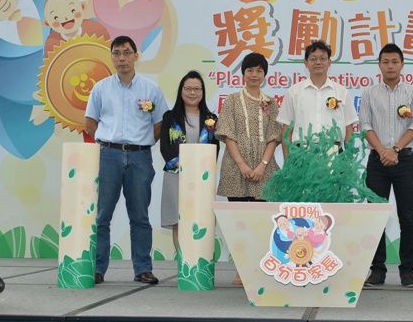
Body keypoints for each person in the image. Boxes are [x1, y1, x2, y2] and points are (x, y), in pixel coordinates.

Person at [84, 35, 167, 285]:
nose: (122, 58)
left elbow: (160, 124)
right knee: (102, 216)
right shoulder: (101, 88)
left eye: (126, 53)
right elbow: (90, 123)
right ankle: (97, 268)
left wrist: (142, 143)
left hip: (140, 157)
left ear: (135, 56)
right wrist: (109, 143)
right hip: (108, 155)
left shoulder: (151, 90)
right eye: (117, 53)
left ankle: (143, 269)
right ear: (112, 56)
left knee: (140, 216)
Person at [216, 52, 282, 284]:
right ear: (243, 73)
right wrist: (242, 165)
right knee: (239, 222)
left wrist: (262, 165)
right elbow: (227, 134)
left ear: (265, 74)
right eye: (250, 70)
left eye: (259, 70)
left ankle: (261, 268)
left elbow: (274, 136)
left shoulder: (271, 103)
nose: (254, 74)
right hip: (236, 168)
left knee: (263, 221)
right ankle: (242, 269)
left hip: (264, 170)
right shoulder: (232, 100)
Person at [360, 43, 413, 288]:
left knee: (407, 217)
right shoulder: (369, 93)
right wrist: (382, 151)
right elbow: (365, 125)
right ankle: (377, 271)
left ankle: (407, 272)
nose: (390, 66)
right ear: (379, 65)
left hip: (404, 159)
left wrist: (395, 150)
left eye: (395, 61)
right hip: (377, 161)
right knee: (375, 217)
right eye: (385, 62)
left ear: (402, 64)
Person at [159, 71, 219, 254]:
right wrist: (185, 167)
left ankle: (199, 260)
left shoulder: (211, 119)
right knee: (179, 219)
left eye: (197, 89)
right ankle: (183, 262)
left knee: (201, 218)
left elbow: (215, 148)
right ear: (181, 91)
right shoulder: (170, 117)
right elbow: (165, 148)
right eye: (188, 88)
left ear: (202, 92)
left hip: (202, 177)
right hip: (176, 176)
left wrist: (198, 169)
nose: (193, 93)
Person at [276, 40, 358, 156]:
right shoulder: (293, 92)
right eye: (313, 59)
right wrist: (287, 162)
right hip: (301, 153)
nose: (318, 62)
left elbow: (349, 129)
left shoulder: (341, 92)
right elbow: (287, 130)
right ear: (306, 63)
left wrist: (349, 159)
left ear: (329, 62)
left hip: (334, 154)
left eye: (322, 58)